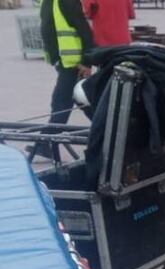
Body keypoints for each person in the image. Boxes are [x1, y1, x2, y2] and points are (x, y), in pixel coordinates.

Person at [36, 0, 95, 160]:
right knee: (81, 101)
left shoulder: (66, 1)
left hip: (73, 63)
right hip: (64, 62)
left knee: (62, 102)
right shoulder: (48, 2)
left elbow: (84, 30)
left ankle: (45, 141)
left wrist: (86, 61)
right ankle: (107, 132)